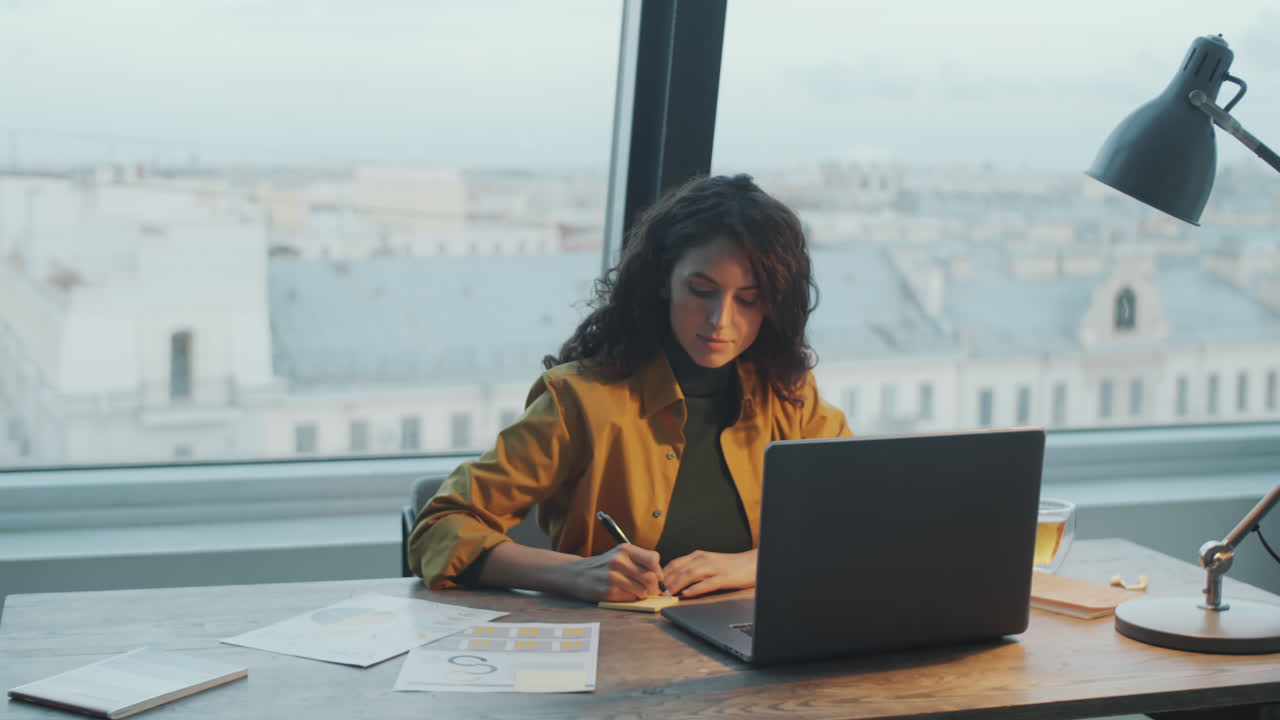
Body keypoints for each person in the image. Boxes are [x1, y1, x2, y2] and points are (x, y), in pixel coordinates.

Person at [407, 173, 851, 602]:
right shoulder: (579, 400)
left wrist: (751, 564)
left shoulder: (789, 395)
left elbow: (860, 515)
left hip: (754, 648)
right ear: (663, 280)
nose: (722, 321)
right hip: (612, 654)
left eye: (749, 300)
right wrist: (573, 575)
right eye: (701, 290)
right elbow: (438, 529)